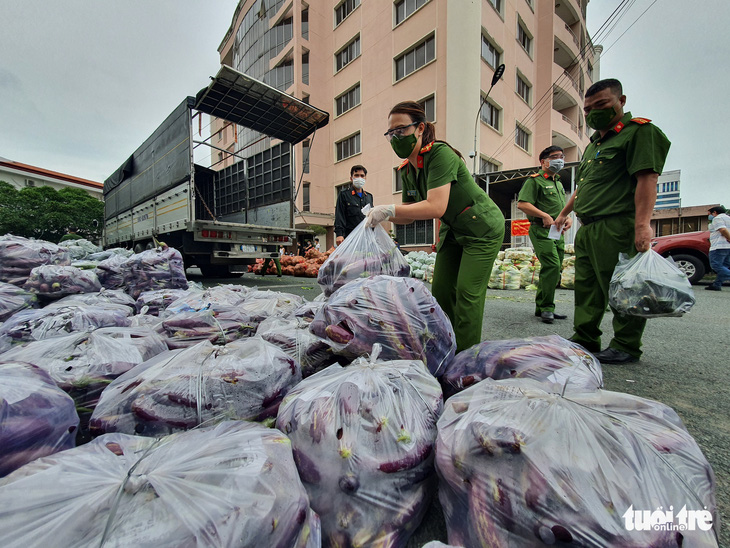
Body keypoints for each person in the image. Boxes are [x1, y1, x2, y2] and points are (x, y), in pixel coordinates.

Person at [366, 101, 505, 352]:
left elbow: (436, 206)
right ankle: (444, 345)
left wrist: (389, 209)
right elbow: (409, 215)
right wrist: (379, 218)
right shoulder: (407, 170)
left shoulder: (439, 154)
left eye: (401, 130)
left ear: (419, 129)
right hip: (452, 228)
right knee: (440, 290)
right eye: (391, 133)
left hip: (481, 227)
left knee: (467, 293)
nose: (396, 137)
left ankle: (465, 355)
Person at [554, 78, 671, 364]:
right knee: (587, 286)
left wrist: (643, 225)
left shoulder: (639, 133)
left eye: (602, 104)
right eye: (588, 108)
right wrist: (564, 213)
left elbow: (647, 178)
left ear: (622, 101)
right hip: (588, 227)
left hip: (616, 225)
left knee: (622, 286)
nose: (593, 112)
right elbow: (585, 187)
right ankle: (586, 337)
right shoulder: (593, 145)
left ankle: (626, 344)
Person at [517, 145, 572, 323]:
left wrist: (567, 218)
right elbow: (523, 204)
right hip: (540, 229)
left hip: (557, 231)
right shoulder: (535, 181)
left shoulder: (558, 183)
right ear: (543, 161)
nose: (560, 160)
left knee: (554, 269)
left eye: (562, 156)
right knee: (552, 265)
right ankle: (547, 308)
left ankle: (542, 307)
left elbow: (560, 208)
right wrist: (544, 215)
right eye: (555, 157)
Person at [335, 165, 374, 245]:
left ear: (365, 178)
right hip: (350, 238)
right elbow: (339, 215)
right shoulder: (344, 194)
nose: (359, 178)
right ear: (351, 178)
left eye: (362, 176)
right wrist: (339, 234)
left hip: (366, 238)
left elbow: (371, 217)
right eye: (356, 175)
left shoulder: (369, 197)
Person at [705, 205, 730, 291]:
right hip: (728, 247)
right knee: (724, 266)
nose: (709, 216)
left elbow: (722, 230)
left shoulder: (717, 218)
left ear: (714, 212)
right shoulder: (728, 218)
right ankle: (716, 285)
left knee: (716, 265)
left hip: (719, 246)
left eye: (709, 214)